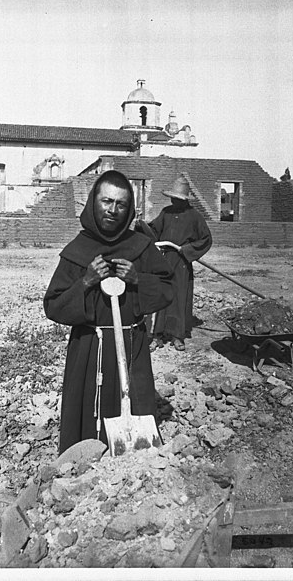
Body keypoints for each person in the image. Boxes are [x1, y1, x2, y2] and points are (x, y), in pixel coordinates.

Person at [44, 170, 173, 454]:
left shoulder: (142, 247)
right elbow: (53, 305)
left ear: (129, 210)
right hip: (90, 348)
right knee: (88, 413)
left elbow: (168, 290)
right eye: (106, 201)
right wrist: (86, 282)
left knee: (134, 411)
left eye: (121, 204)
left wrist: (139, 278)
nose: (113, 210)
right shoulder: (78, 250)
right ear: (94, 203)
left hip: (131, 344)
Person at [138, 172, 212, 351]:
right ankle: (157, 335)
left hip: (181, 262)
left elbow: (206, 239)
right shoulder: (166, 213)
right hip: (164, 260)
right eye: (173, 198)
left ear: (185, 200)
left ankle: (178, 336)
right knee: (161, 295)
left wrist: (185, 250)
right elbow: (154, 231)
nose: (174, 202)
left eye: (177, 199)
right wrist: (141, 226)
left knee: (179, 297)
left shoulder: (194, 216)